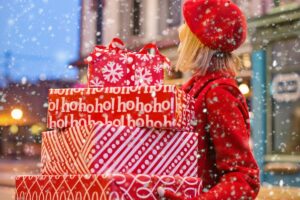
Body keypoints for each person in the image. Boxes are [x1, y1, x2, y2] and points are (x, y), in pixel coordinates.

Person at [159, 0, 260, 199]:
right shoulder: (197, 89)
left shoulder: (218, 93)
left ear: (201, 40)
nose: (181, 31)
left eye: (187, 25)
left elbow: (243, 177)